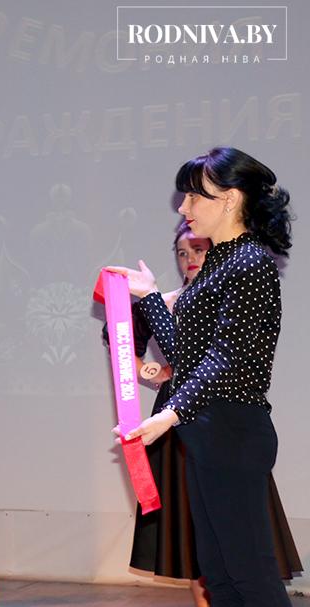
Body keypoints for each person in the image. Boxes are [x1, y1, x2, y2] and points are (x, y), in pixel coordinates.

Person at [109, 147, 295, 606]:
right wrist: (151, 296)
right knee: (219, 575)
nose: (183, 208)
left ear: (230, 199)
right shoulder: (219, 260)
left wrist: (168, 414)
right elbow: (189, 356)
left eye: (194, 196)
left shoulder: (250, 262)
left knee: (250, 575)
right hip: (207, 435)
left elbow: (225, 359)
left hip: (234, 432)